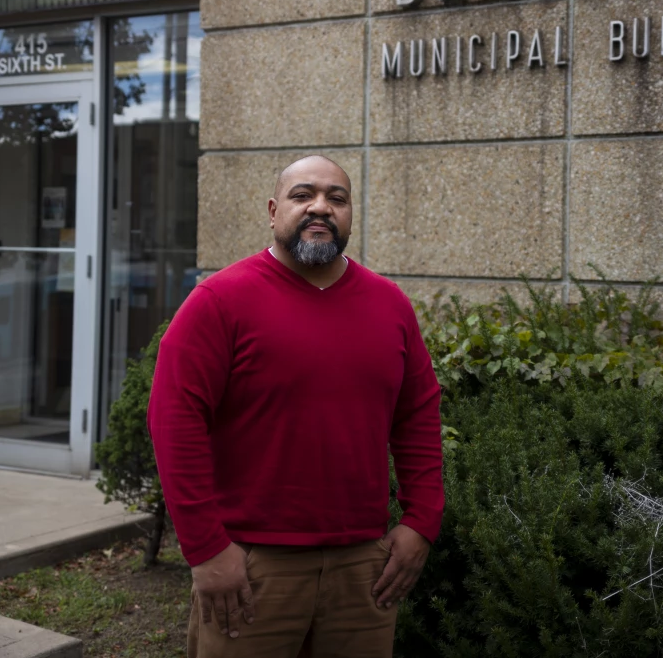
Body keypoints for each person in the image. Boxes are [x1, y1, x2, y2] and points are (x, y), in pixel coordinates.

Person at [147, 154, 444, 658]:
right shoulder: (219, 301)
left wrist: (421, 522)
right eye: (303, 195)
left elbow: (417, 414)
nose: (320, 208)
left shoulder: (390, 305)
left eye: (337, 198)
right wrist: (205, 550)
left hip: (363, 569)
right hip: (251, 566)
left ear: (350, 213)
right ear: (273, 209)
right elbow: (175, 423)